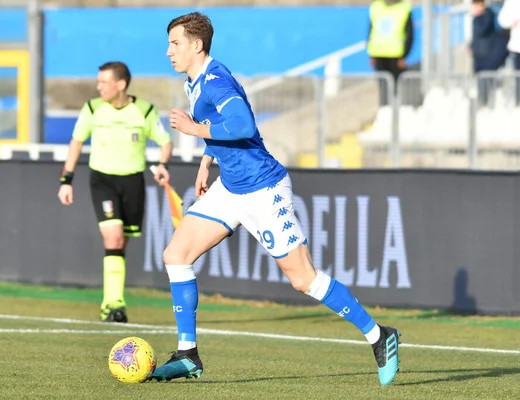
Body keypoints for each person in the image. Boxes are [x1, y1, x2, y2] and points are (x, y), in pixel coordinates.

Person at [151, 12, 401, 387]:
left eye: (175, 43)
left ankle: (379, 335)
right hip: (231, 186)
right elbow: (225, 131)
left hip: (263, 188)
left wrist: (193, 128)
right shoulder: (196, 80)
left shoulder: (216, 82)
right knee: (176, 255)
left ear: (197, 45)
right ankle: (188, 354)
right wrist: (207, 161)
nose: (168, 51)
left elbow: (243, 126)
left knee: (304, 279)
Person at [58, 61, 172, 323]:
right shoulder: (92, 108)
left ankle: (115, 302)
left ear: (120, 84)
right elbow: (76, 141)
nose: (98, 87)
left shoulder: (144, 111)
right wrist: (67, 179)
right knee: (113, 237)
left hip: (132, 182)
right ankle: (112, 304)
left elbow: (165, 142)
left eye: (103, 82)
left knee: (120, 244)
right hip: (102, 180)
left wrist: (163, 165)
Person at [367, 0, 414, 106]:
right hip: (378, 53)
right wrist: (371, 54)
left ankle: (395, 111)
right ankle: (384, 110)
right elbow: (371, 31)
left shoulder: (404, 8)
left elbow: (409, 34)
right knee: (382, 87)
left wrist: (404, 55)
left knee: (396, 87)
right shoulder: (376, 7)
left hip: (396, 55)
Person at [470, 0, 509, 106]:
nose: (473, 9)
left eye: (476, 6)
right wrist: (471, 46)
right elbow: (477, 38)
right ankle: (483, 102)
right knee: (482, 82)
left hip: (487, 57)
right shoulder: (478, 19)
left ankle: (487, 103)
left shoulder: (487, 17)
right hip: (480, 56)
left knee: (487, 81)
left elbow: (481, 32)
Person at [498, 0, 520, 105]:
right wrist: (513, 21)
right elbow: (503, 20)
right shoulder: (513, 2)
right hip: (517, 47)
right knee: (518, 77)